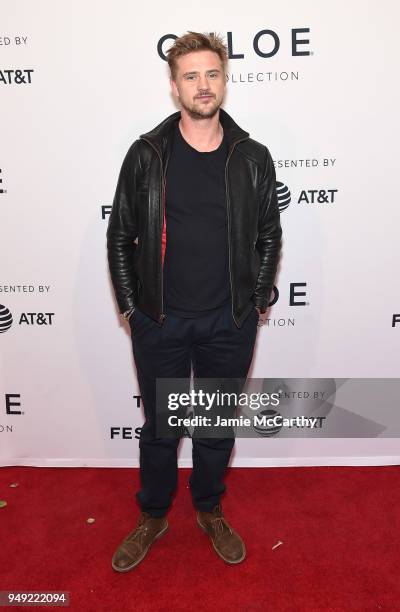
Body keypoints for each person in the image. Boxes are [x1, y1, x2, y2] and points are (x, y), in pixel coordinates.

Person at [106, 31, 282, 572]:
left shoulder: (252, 156)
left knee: (214, 426)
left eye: (212, 74)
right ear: (174, 85)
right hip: (160, 320)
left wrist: (255, 300)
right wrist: (133, 310)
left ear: (224, 81)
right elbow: (120, 237)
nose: (202, 86)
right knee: (160, 428)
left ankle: (208, 507)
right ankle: (153, 514)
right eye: (191, 75)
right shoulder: (146, 154)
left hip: (228, 321)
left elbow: (269, 234)